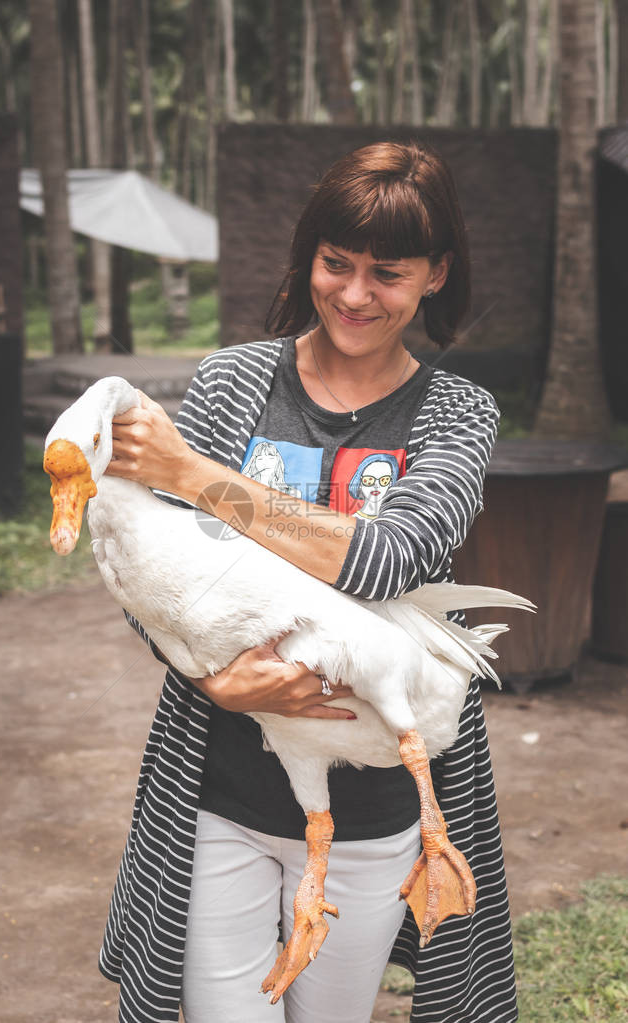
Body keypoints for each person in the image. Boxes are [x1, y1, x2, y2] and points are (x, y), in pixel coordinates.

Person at [98, 141, 518, 1023]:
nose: (355, 294)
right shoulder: (232, 383)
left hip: (374, 805)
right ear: (309, 258)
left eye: (388, 274)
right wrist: (207, 675)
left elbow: (387, 558)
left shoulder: (457, 412)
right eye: (337, 264)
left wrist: (196, 475)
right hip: (223, 787)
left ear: (436, 275)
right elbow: (152, 574)